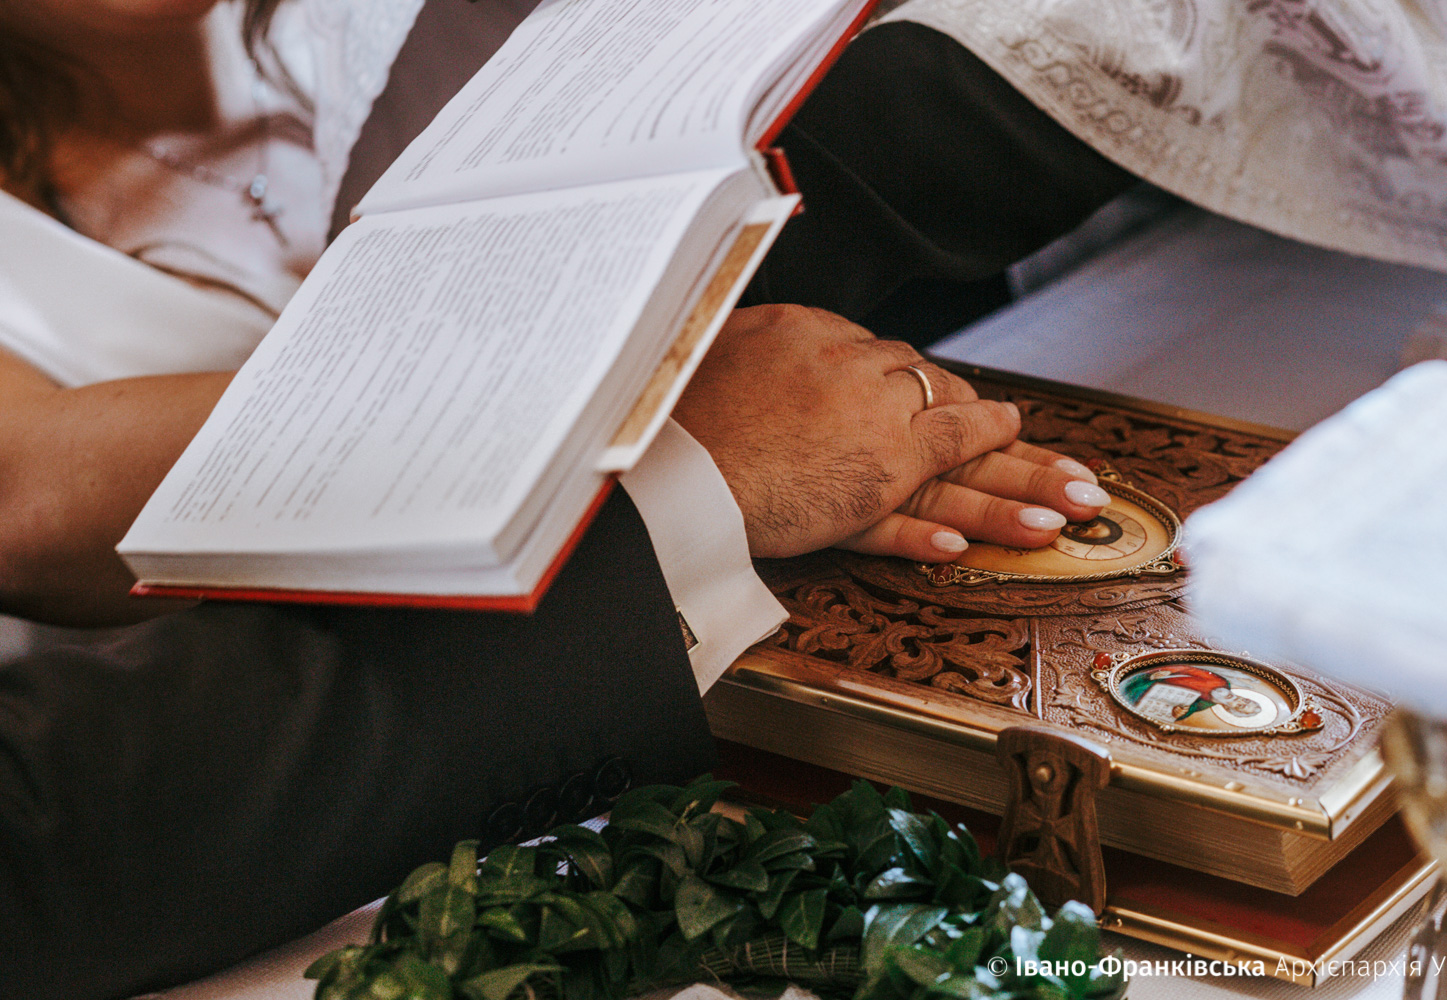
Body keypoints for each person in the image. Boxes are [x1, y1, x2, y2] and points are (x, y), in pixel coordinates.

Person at [0, 2, 1120, 997]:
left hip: (635, 671)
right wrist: (658, 411)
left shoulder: (354, 36)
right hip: (300, 781)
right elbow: (29, 490)